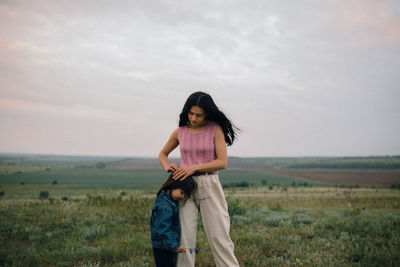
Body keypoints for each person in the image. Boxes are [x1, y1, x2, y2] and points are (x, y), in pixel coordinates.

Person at [159, 91, 240, 267]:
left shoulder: (215, 130)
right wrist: (167, 166)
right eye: (191, 113)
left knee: (219, 236)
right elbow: (163, 154)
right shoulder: (180, 132)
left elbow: (222, 162)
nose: (194, 118)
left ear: (207, 114)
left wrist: (193, 167)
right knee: (185, 238)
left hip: (208, 183)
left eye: (198, 115)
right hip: (184, 187)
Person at [150, 172, 197, 267]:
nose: (182, 196)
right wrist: (174, 245)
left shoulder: (168, 201)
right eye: (182, 192)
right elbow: (163, 229)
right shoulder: (164, 206)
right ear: (174, 185)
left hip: (165, 245)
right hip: (163, 246)